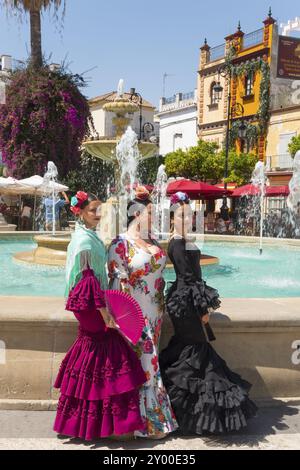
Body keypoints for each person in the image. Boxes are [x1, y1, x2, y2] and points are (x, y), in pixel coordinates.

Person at [159, 192, 257, 435]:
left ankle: (178, 409)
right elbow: (190, 278)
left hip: (187, 299)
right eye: (182, 215)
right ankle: (188, 410)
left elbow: (196, 277)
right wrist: (203, 308)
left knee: (190, 349)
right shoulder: (178, 243)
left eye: (190, 215)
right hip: (186, 303)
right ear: (173, 217)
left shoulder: (186, 240)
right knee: (196, 349)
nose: (187, 218)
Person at [53, 191, 147, 441]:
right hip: (91, 303)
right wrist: (105, 313)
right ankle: (104, 422)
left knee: (92, 355)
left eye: (99, 210)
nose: (97, 214)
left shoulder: (86, 236)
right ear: (80, 212)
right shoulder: (84, 241)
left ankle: (85, 421)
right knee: (106, 352)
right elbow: (87, 279)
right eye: (93, 210)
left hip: (90, 301)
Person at [108, 186, 178, 439]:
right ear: (137, 213)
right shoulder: (120, 244)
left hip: (156, 314)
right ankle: (144, 425)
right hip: (135, 315)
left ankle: (145, 422)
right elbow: (117, 284)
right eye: (150, 212)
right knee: (145, 365)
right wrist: (126, 319)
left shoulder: (153, 241)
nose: (154, 217)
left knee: (149, 362)